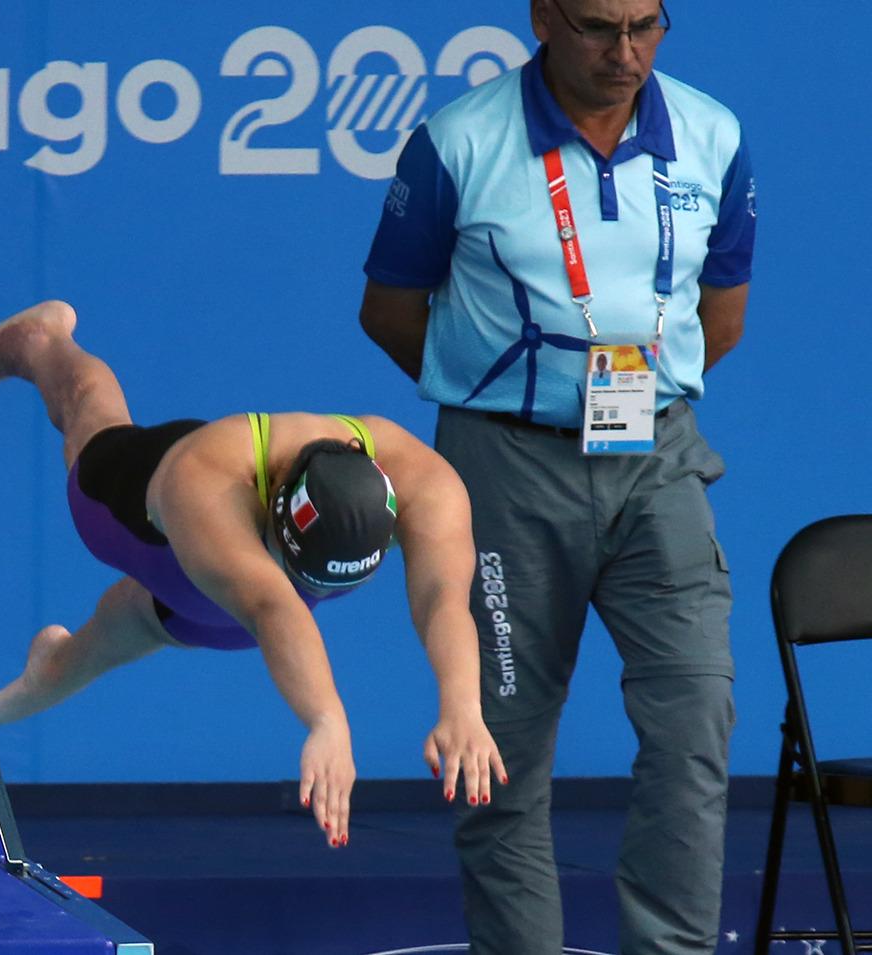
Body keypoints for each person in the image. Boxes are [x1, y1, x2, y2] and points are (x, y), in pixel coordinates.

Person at [358, 1, 754, 952]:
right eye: (596, 27)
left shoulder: (713, 133)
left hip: (657, 459)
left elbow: (723, 312)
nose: (625, 53)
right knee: (499, 750)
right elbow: (389, 310)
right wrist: (496, 402)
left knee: (696, 720)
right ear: (542, 16)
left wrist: (633, 403)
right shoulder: (458, 142)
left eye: (647, 26)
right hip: (504, 467)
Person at [0, 299, 506, 847]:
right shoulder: (204, 482)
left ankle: (43, 674)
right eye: (300, 572)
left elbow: (443, 595)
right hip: (147, 514)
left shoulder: (424, 481)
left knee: (143, 630)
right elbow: (274, 606)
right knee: (90, 418)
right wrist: (326, 721)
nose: (305, 588)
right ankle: (47, 341)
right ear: (277, 514)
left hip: (218, 602)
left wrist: (462, 707)